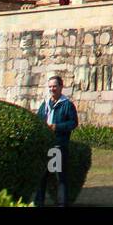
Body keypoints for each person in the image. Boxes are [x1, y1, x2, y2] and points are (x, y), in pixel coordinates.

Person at [34, 75, 79, 207]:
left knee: (60, 177)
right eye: (50, 87)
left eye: (54, 86)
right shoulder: (45, 104)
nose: (52, 89)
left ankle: (62, 204)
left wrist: (57, 127)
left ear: (60, 87)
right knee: (42, 175)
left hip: (58, 145)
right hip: (46, 145)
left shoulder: (67, 105)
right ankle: (38, 202)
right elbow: (38, 119)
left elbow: (73, 123)